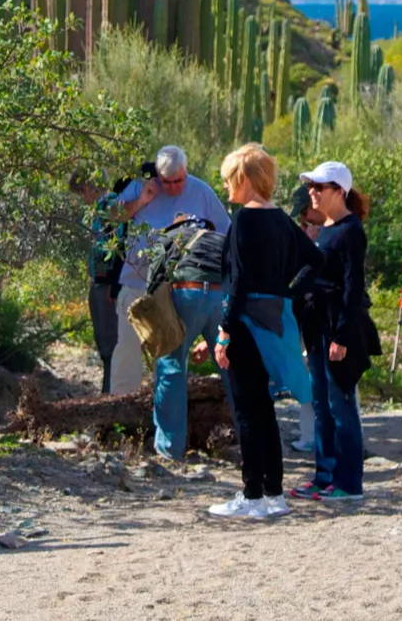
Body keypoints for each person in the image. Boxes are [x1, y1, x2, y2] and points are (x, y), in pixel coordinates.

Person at [208, 143, 319, 519]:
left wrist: (224, 332)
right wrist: (286, 291)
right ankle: (274, 493)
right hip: (276, 320)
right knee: (266, 411)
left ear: (244, 179)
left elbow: (237, 283)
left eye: (228, 179)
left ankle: (252, 494)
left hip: (245, 323)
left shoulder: (244, 219)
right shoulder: (282, 220)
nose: (225, 186)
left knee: (247, 411)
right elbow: (316, 262)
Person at [291, 160, 379, 500]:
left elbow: (351, 287)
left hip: (337, 328)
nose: (312, 192)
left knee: (341, 404)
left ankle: (348, 483)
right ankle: (324, 474)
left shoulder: (350, 230)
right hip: (316, 328)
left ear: (339, 191)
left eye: (319, 187)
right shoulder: (325, 228)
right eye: (310, 186)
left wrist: (341, 335)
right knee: (321, 404)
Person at [109, 144, 229, 395]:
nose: (174, 187)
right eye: (168, 182)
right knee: (127, 351)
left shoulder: (201, 191)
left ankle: (162, 410)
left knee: (169, 352)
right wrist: (143, 199)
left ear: (186, 171)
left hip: (179, 287)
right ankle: (118, 411)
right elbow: (111, 216)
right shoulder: (141, 186)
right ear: (157, 175)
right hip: (137, 282)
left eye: (179, 180)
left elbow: (226, 233)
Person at [136, 207, 232, 462]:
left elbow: (154, 282)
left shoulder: (170, 237)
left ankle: (170, 447)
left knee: (171, 365)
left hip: (186, 292)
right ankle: (251, 442)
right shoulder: (221, 239)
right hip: (221, 295)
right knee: (231, 367)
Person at [77, 166, 143, 383]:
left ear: (88, 187)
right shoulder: (99, 208)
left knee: (111, 343)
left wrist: (114, 285)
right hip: (100, 283)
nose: (82, 198)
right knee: (104, 341)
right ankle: (108, 389)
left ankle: (112, 392)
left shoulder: (110, 204)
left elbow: (120, 244)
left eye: (81, 192)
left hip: (108, 285)